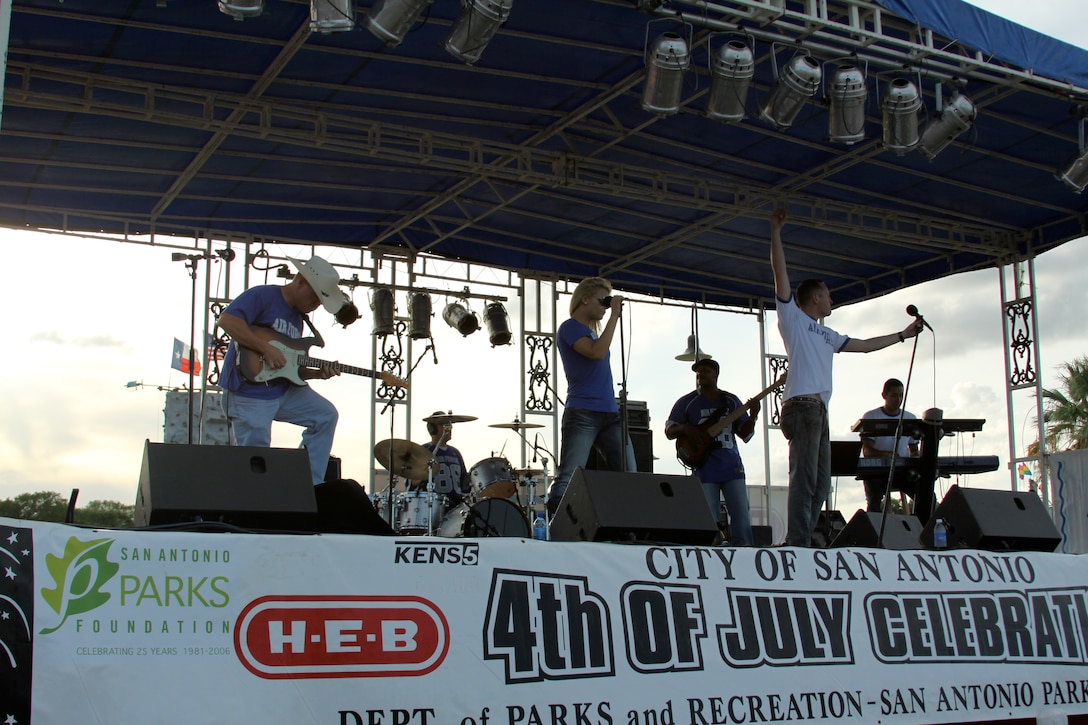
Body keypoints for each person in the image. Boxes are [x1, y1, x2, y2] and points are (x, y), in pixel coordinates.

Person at [770, 207, 923, 547]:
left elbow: (866, 345)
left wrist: (903, 335)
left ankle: (802, 537)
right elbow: (780, 276)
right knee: (806, 478)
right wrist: (776, 233)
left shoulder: (827, 334)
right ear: (814, 298)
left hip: (819, 409)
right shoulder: (793, 319)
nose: (831, 298)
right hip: (803, 405)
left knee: (822, 482)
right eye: (827, 294)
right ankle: (797, 543)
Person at [217, 255, 347, 485]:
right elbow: (227, 320)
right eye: (316, 297)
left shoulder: (298, 318)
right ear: (300, 282)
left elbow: (289, 367)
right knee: (254, 460)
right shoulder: (263, 295)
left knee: (325, 415)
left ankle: (308, 486)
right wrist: (264, 348)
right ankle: (253, 507)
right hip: (248, 392)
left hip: (283, 390)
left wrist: (317, 373)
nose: (316, 305)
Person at [546, 276, 635, 515]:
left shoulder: (593, 332)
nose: (606, 306)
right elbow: (595, 354)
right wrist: (615, 314)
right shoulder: (570, 327)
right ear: (585, 299)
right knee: (569, 475)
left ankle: (629, 526)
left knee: (630, 475)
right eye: (602, 300)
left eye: (608, 302)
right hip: (583, 412)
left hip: (610, 413)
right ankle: (555, 525)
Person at [665, 358, 759, 546]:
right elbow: (669, 431)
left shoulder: (731, 401)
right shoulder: (687, 402)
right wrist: (686, 429)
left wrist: (754, 416)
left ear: (716, 374)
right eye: (697, 372)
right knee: (708, 518)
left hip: (732, 468)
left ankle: (745, 551)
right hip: (704, 469)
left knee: (740, 513)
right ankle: (710, 552)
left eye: (705, 370)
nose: (700, 374)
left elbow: (745, 434)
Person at [859, 378, 921, 513]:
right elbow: (867, 451)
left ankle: (921, 528)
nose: (898, 399)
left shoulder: (910, 418)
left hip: (902, 471)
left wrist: (916, 459)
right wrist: (887, 455)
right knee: (874, 502)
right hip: (877, 471)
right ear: (884, 395)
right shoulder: (871, 417)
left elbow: (914, 449)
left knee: (925, 495)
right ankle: (873, 531)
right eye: (894, 395)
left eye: (900, 395)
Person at [415, 413, 473, 507]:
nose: (449, 429)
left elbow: (464, 481)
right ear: (432, 429)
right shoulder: (424, 451)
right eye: (444, 425)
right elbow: (413, 480)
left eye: (449, 425)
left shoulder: (456, 453)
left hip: (456, 506)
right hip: (433, 505)